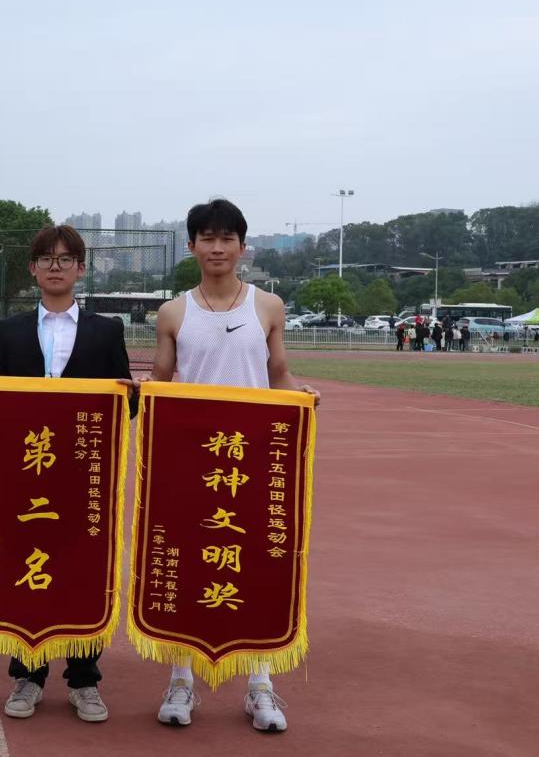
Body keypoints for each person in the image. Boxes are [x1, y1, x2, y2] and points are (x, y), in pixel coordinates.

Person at [146, 199, 320, 733]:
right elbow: (160, 384)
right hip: (191, 461)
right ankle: (182, 677)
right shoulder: (173, 313)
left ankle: (260, 683)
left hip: (253, 459)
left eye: (227, 238)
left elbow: (279, 372)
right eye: (207, 238)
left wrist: (301, 396)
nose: (217, 247)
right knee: (189, 562)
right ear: (192, 246)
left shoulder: (268, 306)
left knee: (256, 562)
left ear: (243, 247)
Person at [0, 224, 138, 725]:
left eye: (65, 259)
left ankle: (84, 680)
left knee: (83, 571)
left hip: (82, 475)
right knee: (25, 568)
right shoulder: (9, 330)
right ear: (32, 269)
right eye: (46, 258)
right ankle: (27, 674)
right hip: (25, 475)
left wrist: (132, 393)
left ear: (81, 269)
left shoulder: (106, 330)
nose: (55, 266)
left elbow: (127, 406)